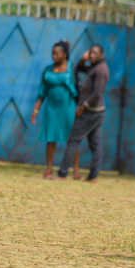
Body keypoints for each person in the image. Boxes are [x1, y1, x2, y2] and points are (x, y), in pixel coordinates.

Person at [55, 44, 109, 182]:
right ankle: (93, 176)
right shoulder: (94, 67)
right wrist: (82, 59)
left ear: (101, 55)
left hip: (90, 112)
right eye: (90, 53)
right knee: (95, 145)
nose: (91, 55)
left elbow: (97, 94)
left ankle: (62, 173)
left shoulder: (101, 70)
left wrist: (83, 106)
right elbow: (77, 69)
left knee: (73, 141)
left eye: (95, 53)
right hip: (95, 112)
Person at [30, 40, 80, 179]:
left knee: (72, 139)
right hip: (52, 109)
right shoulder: (47, 70)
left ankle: (75, 170)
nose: (53, 56)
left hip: (69, 108)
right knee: (50, 138)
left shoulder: (72, 68)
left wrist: (80, 107)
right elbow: (42, 92)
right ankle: (49, 168)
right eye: (52, 53)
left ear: (65, 54)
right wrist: (35, 110)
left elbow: (79, 88)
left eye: (57, 53)